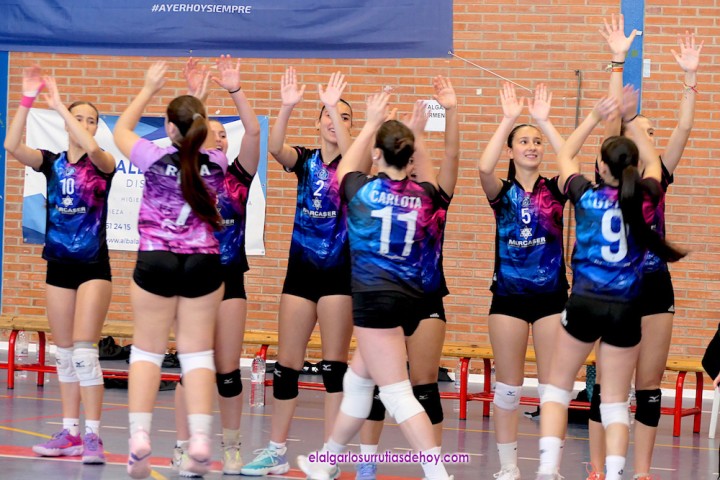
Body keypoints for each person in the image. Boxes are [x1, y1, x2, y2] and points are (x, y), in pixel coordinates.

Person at [297, 93, 452, 480]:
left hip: (374, 301)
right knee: (357, 381)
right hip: (411, 300)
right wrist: (417, 134)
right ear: (409, 157)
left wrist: (369, 122)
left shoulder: (360, 189)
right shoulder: (426, 195)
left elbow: (348, 163)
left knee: (398, 394)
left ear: (377, 156)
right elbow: (430, 170)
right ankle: (327, 460)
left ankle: (437, 473)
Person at [535, 87, 686, 480]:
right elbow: (653, 162)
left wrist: (593, 117)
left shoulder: (585, 196)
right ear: (634, 166)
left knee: (557, 388)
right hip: (626, 309)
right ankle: (617, 473)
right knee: (617, 401)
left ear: (600, 167)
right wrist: (631, 120)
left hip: (586, 301)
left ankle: (548, 468)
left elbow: (565, 157)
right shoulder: (648, 195)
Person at [586, 16, 702, 480]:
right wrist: (617, 62)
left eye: (650, 133)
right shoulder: (608, 179)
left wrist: (690, 77)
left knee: (648, 386)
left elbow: (684, 128)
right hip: (613, 289)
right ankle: (598, 469)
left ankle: (642, 472)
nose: (646, 137)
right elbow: (615, 119)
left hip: (654, 286)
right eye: (640, 132)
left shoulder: (657, 180)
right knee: (607, 386)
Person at [113, 62, 230, 479]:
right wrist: (200, 99)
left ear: (168, 127)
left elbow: (121, 129)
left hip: (157, 258)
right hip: (203, 262)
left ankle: (139, 439)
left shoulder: (152, 156)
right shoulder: (218, 161)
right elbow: (197, 138)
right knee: (196, 355)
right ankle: (199, 440)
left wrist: (149, 88)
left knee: (147, 352)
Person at [241, 68, 356, 476]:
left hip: (339, 275)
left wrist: (333, 106)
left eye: (344, 117)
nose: (334, 121)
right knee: (286, 366)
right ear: (317, 122)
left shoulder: (356, 163)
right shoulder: (306, 161)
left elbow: (351, 155)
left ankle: (330, 456)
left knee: (333, 368)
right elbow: (275, 148)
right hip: (300, 274)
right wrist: (287, 106)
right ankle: (276, 451)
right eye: (328, 115)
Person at [4, 67, 115, 465]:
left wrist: (61, 109)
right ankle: (70, 432)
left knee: (85, 353)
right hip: (58, 267)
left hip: (93, 268)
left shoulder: (103, 163)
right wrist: (28, 99)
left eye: (91, 120)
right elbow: (11, 145)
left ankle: (93, 436)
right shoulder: (52, 163)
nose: (83, 124)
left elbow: (92, 147)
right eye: (77, 117)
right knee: (64, 354)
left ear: (96, 128)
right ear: (66, 125)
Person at [354, 75, 459, 480]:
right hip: (384, 296)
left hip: (426, 298)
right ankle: (366, 462)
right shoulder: (374, 191)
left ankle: (433, 465)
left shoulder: (431, 196)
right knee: (377, 384)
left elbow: (451, 155)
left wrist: (445, 116)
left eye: (416, 157)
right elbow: (355, 167)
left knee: (424, 386)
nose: (413, 163)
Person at [170, 56, 261, 477]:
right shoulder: (188, 171)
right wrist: (197, 95)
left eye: (225, 134)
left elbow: (254, 132)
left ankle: (232, 448)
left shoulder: (237, 178)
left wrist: (235, 90)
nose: (221, 138)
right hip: (192, 278)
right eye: (213, 132)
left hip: (229, 278)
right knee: (193, 369)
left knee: (227, 372)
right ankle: (182, 446)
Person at [477, 82, 568, 480]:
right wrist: (508, 119)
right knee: (509, 388)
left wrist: (545, 124)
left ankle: (550, 468)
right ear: (511, 151)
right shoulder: (503, 192)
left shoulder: (556, 190)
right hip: (508, 298)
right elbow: (483, 168)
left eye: (536, 142)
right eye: (524, 141)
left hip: (551, 298)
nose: (532, 147)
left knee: (552, 388)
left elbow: (571, 163)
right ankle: (508, 466)